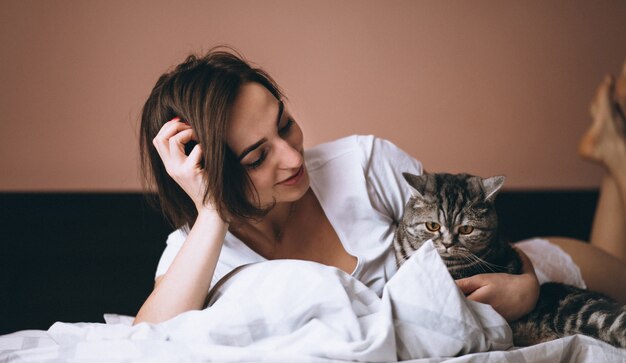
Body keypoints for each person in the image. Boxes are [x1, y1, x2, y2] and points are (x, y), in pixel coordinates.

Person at [133, 48, 626, 325]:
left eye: (285, 124)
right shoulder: (198, 251)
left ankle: (618, 158)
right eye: (257, 156)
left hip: (531, 262)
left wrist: (527, 288)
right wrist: (214, 208)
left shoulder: (364, 165)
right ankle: (614, 159)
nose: (291, 156)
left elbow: (481, 246)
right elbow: (150, 334)